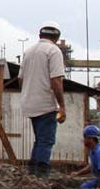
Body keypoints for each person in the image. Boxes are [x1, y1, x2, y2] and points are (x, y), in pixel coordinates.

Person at [21, 23, 67, 177]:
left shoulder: (28, 52)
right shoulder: (53, 51)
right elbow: (56, 81)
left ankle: (32, 174)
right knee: (46, 141)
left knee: (39, 140)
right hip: (46, 103)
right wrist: (62, 106)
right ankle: (40, 177)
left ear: (40, 36)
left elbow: (20, 80)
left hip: (29, 103)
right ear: (56, 38)